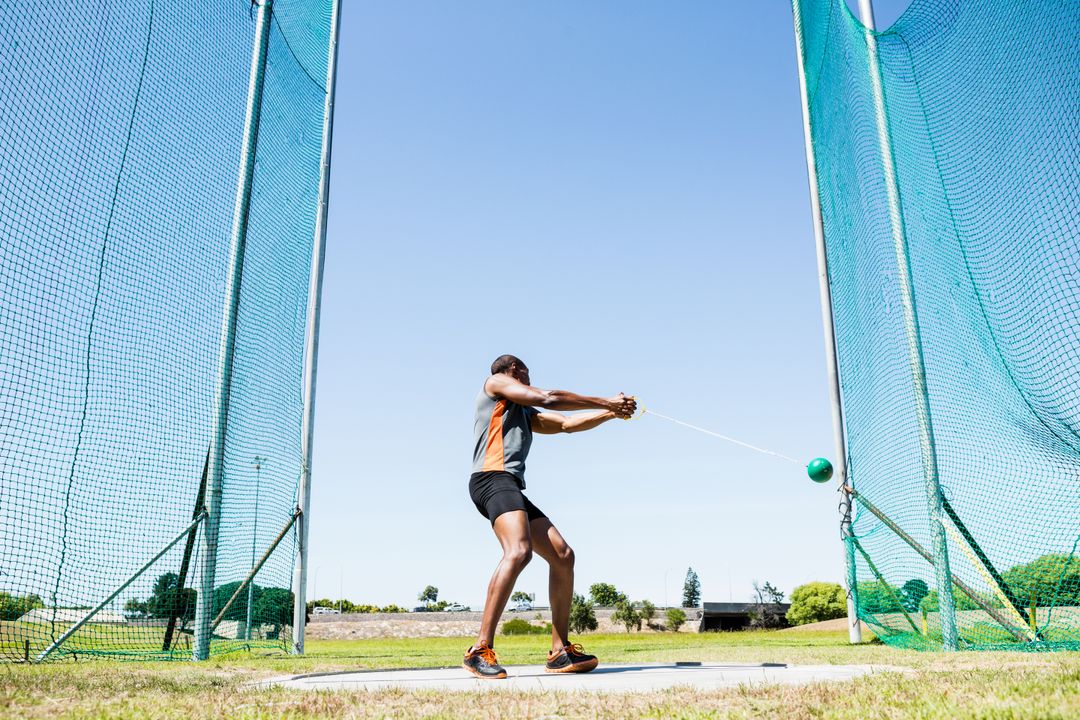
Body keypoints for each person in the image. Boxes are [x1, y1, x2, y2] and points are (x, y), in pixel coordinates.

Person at [463, 354, 636, 679]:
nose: (530, 378)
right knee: (518, 551)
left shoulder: (522, 413)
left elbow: (567, 424)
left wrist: (610, 413)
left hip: (509, 483)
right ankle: (479, 650)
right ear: (516, 370)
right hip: (492, 478)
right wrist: (606, 399)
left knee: (562, 555)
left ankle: (560, 652)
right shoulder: (496, 383)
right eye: (527, 373)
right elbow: (549, 397)